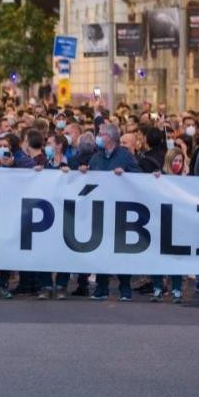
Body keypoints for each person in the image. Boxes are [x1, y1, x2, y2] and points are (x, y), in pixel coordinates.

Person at [84, 123, 140, 301]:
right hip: (100, 209)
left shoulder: (125, 156)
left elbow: (139, 177)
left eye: (101, 134)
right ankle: (102, 287)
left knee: (121, 249)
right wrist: (83, 172)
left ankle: (125, 288)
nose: (98, 136)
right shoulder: (96, 157)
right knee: (101, 248)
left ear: (110, 137)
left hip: (121, 209)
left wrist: (126, 174)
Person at [149, 148, 187, 303]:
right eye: (175, 160)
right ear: (169, 161)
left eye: (180, 161)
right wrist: (154, 178)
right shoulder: (159, 176)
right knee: (157, 256)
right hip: (160, 221)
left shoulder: (185, 179)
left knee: (175, 257)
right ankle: (157, 288)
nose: (177, 164)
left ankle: (176, 289)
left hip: (177, 223)